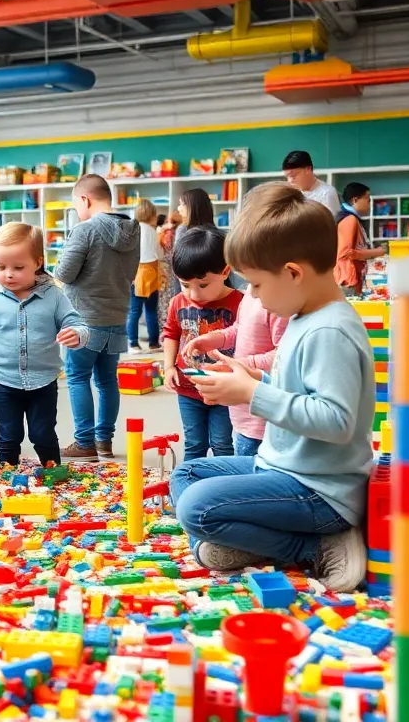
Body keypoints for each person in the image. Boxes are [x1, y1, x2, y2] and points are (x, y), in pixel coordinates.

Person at [171, 183, 374, 592]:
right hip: (284, 468)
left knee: (196, 507)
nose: (256, 300)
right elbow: (296, 387)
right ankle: (257, 544)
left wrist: (251, 395)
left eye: (258, 286)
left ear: (294, 273)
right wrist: (253, 377)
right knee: (187, 473)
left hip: (320, 491)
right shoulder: (304, 314)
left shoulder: (330, 329)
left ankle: (313, 547)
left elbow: (336, 421)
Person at [0, 223, 87, 467]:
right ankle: (7, 477)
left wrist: (76, 335)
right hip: (3, 381)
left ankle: (53, 474)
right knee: (9, 436)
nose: (8, 274)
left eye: (18, 267)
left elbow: (76, 323)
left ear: (38, 262)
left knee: (42, 434)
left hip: (43, 382)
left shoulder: (54, 295)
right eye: (0, 267)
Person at [55, 174, 140, 460]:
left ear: (84, 199)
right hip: (118, 315)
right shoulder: (133, 229)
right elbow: (130, 274)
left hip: (84, 319)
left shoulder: (85, 230)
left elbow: (63, 273)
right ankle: (104, 441)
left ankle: (84, 442)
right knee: (107, 380)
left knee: (78, 377)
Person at [162, 226, 243, 461]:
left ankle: (222, 492)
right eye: (185, 285)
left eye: (203, 285)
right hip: (188, 388)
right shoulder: (178, 302)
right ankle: (191, 487)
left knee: (222, 443)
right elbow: (171, 334)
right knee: (194, 444)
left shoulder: (241, 303)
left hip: (224, 388)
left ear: (225, 271)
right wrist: (168, 367)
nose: (194, 294)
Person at [181, 286, 287, 457]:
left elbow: (282, 356)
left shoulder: (279, 303)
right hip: (241, 415)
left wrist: (238, 366)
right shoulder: (251, 293)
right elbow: (239, 328)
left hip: (261, 421)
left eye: (256, 281)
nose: (250, 289)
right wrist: (214, 339)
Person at [335, 182, 386, 298]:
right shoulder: (349, 220)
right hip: (348, 282)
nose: (370, 204)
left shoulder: (353, 219)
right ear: (355, 200)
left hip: (353, 280)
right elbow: (345, 253)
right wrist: (377, 252)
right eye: (368, 200)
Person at [127, 199, 163, 351]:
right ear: (151, 215)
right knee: (151, 311)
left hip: (137, 274)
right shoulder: (153, 231)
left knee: (134, 312)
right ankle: (154, 342)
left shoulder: (133, 230)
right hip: (152, 273)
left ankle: (133, 343)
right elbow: (159, 254)